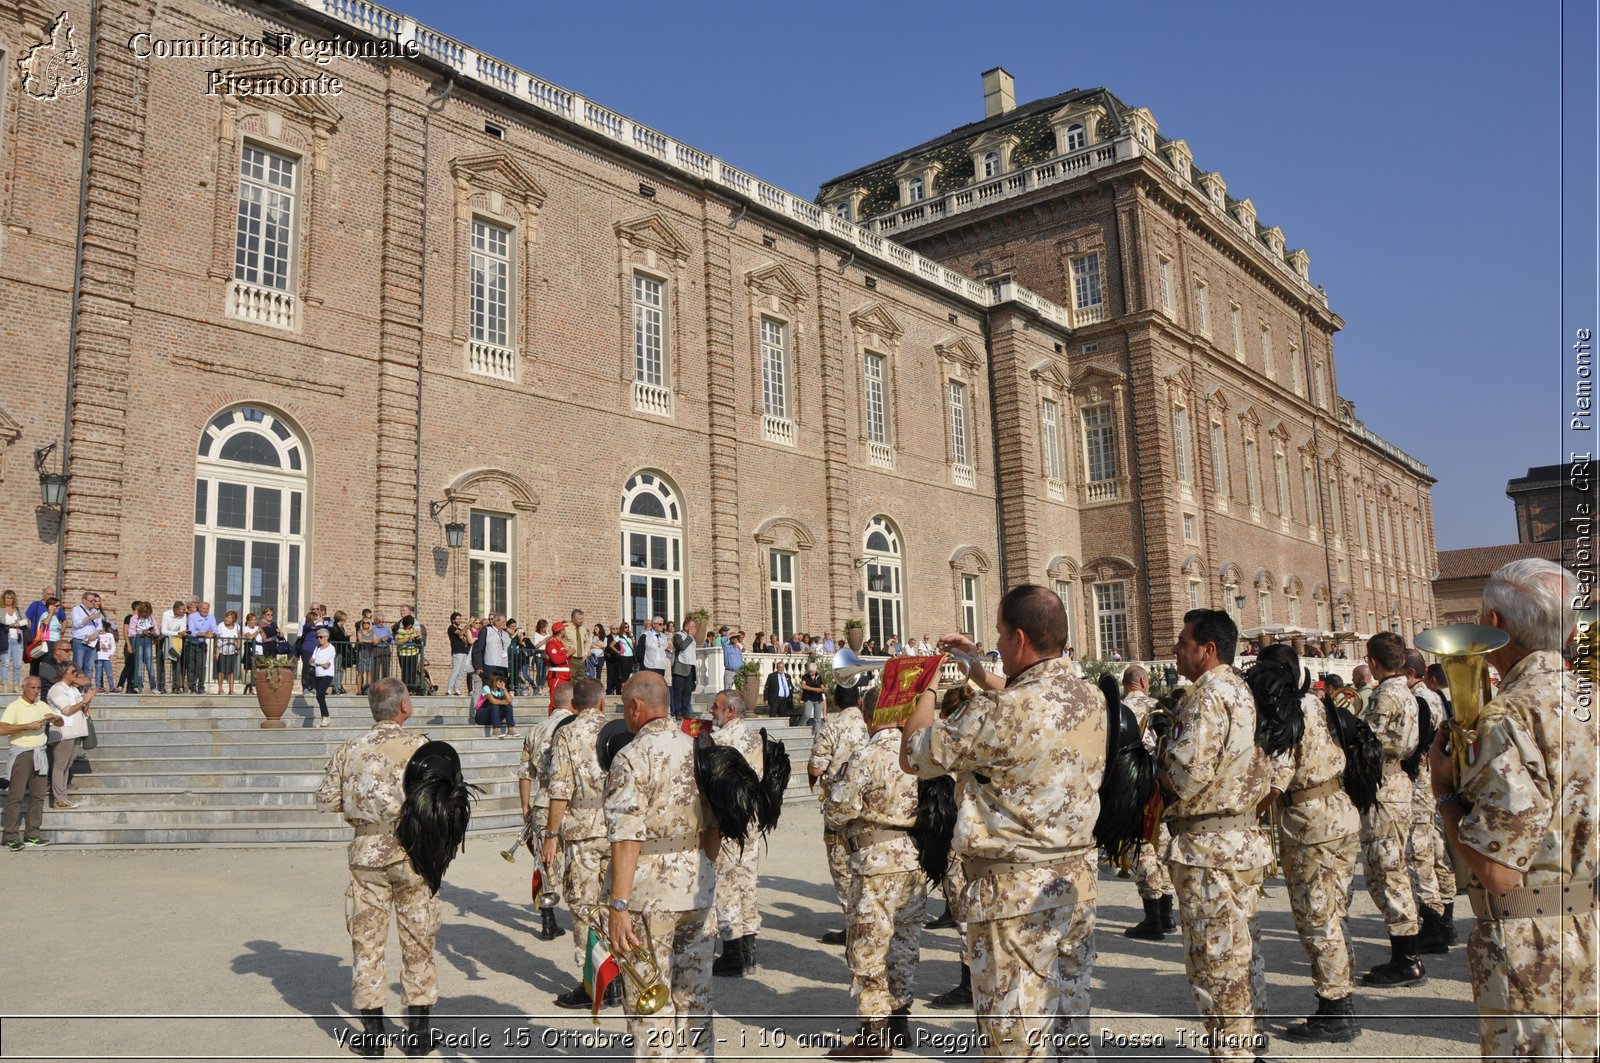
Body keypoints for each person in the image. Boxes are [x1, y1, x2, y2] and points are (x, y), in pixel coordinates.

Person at [900, 585, 1107, 1061]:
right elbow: (1030, 697)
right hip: (1074, 881)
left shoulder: (996, 712)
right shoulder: (1088, 696)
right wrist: (976, 668)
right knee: (1068, 1025)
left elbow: (914, 755)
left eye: (998, 636)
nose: (996, 645)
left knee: (1014, 1036)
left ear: (1018, 638)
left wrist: (925, 686)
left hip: (1013, 893)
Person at [1428, 558, 1596, 1059]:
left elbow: (1498, 871)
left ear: (1495, 625)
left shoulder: (1509, 714)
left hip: (1533, 949)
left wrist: (1444, 790)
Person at [1159, 608, 1271, 1062]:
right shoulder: (1239, 689)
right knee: (1243, 958)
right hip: (1237, 842)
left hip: (1209, 849)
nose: (1176, 648)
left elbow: (1185, 775)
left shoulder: (1207, 697)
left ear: (1207, 650)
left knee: (1216, 966)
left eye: (1184, 642)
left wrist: (1157, 768)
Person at [314, 678, 438, 1057]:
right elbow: (442, 797)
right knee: (418, 938)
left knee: (367, 941)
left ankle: (371, 1035)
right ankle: (417, 1033)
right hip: (412, 852)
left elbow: (325, 799)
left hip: (366, 851)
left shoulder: (349, 749)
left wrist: (363, 812)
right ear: (404, 707)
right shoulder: (419, 746)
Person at [604, 671, 719, 1060]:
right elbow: (715, 825)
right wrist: (704, 869)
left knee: (650, 1001)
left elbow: (625, 838)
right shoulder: (699, 748)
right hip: (697, 885)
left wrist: (619, 905)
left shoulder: (631, 756)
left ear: (636, 707)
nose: (624, 713)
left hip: (647, 894)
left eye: (624, 706)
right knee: (694, 997)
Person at [1256, 644, 1361, 1045]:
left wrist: (1244, 815)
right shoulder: (1316, 703)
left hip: (1309, 822)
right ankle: (1343, 1001)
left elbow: (1277, 780)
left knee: (1318, 918)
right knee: (1336, 912)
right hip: (1339, 811)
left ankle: (1335, 1011)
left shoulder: (1286, 711)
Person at [825, 687, 925, 1058]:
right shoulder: (916, 752)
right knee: (903, 944)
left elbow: (838, 810)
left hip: (874, 860)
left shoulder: (866, 755)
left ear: (869, 717)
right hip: (912, 858)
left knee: (868, 945)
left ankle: (874, 1032)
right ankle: (900, 1023)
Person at [542, 678, 618, 1006]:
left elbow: (559, 789)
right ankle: (618, 978)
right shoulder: (617, 729)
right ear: (601, 703)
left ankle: (593, 985)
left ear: (575, 705)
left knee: (585, 908)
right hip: (616, 830)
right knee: (616, 905)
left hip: (582, 832)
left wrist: (550, 835)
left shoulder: (567, 733)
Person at [1357, 630, 1426, 987]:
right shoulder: (1408, 693)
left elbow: (1369, 742)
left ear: (1373, 662)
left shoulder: (1385, 695)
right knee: (1388, 868)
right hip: (1396, 783)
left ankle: (1406, 959)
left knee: (1387, 871)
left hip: (1384, 785)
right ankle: (1405, 953)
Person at [1118, 664, 1178, 940]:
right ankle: (1167, 914)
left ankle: (1153, 917)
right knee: (1162, 842)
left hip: (1134, 785)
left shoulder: (1120, 710)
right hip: (1161, 783)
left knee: (1141, 848)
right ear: (1144, 681)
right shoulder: (1159, 707)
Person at [709, 689, 765, 976]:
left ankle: (732, 951)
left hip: (727, 822)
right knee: (747, 880)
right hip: (751, 821)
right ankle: (749, 950)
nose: (711, 711)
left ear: (729, 711)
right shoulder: (755, 737)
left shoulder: (719, 741)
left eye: (716, 707)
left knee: (726, 882)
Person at [1404, 647, 1456, 954]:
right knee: (1437, 850)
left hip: (1421, 782)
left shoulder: (1418, 699)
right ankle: (1446, 919)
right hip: (1434, 779)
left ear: (1410, 673)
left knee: (1420, 853)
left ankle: (1433, 924)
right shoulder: (1436, 697)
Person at [810, 683, 870, 945]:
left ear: (835, 701)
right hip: (869, 804)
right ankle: (867, 919)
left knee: (841, 866)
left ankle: (853, 925)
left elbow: (816, 768)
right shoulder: (871, 724)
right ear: (858, 699)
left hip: (839, 806)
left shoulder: (832, 727)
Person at [1, 676, 62, 849]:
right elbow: (2, 728)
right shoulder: (15, 706)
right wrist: (28, 726)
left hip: (39, 753)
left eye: (38, 688)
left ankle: (32, 834)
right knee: (16, 796)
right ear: (24, 688)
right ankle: (10, 836)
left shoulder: (41, 705)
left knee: (38, 796)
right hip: (22, 754)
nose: (36, 691)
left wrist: (56, 719)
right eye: (33, 688)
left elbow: (61, 722)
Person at [45, 662, 95, 808]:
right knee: (60, 766)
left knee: (67, 765)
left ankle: (63, 797)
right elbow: (67, 710)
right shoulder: (57, 690)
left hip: (76, 731)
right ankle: (58, 799)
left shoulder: (73, 689)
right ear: (64, 673)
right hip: (63, 732)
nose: (76, 675)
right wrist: (84, 701)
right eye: (73, 672)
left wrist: (87, 701)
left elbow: (81, 707)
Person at [69, 591, 104, 679]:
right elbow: (76, 623)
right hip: (80, 641)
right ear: (84, 600)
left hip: (91, 641)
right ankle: (77, 687)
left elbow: (99, 625)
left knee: (89, 667)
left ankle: (87, 687)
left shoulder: (95, 611)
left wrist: (96, 633)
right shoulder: (77, 609)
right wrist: (90, 618)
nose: (93, 603)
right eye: (91, 601)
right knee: (78, 665)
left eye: (94, 601)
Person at [670, 617, 698, 720]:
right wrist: (690, 636)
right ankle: (677, 712)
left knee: (687, 692)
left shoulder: (691, 638)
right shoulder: (678, 635)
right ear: (686, 627)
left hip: (690, 668)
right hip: (680, 667)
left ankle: (685, 711)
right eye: (692, 627)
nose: (694, 629)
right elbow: (681, 647)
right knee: (678, 691)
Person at [310, 626, 337, 727]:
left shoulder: (331, 648)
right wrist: (320, 663)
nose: (319, 639)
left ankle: (326, 716)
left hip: (327, 674)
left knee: (320, 694)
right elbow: (310, 661)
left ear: (326, 637)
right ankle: (324, 717)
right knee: (320, 696)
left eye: (320, 637)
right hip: (318, 674)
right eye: (318, 637)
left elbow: (327, 662)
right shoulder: (317, 648)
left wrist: (317, 662)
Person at [1, 590, 26, 693]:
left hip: (17, 639)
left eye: (10, 598)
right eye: (6, 597)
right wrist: (16, 623)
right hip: (6, 640)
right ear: (3, 599)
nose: (8, 600)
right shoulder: (1, 610)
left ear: (13, 599)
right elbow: (4, 621)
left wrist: (18, 623)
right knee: (5, 663)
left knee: (17, 664)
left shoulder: (18, 610)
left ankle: (16, 684)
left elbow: (26, 621)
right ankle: (4, 684)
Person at [214, 611, 241, 695]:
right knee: (221, 671)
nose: (227, 619)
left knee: (231, 671)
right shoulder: (221, 625)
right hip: (222, 651)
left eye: (229, 618)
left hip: (232, 651)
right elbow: (216, 638)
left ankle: (231, 690)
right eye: (226, 617)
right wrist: (216, 651)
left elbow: (239, 637)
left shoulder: (237, 626)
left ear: (233, 620)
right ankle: (220, 689)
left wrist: (238, 646)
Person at [445, 613, 471, 697]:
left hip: (464, 652)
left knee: (461, 672)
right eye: (457, 619)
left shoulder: (460, 628)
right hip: (457, 652)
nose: (459, 620)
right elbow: (460, 634)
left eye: (460, 619)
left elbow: (465, 639)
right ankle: (449, 688)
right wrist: (468, 624)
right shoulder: (451, 628)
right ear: (453, 620)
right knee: (455, 671)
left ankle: (457, 689)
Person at [798, 663, 826, 737]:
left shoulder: (819, 677)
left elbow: (822, 686)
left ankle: (816, 735)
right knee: (807, 714)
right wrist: (814, 689)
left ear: (815, 671)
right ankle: (799, 728)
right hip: (808, 698)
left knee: (818, 718)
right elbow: (803, 686)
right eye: (810, 671)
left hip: (818, 698)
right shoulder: (805, 677)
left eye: (812, 672)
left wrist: (823, 689)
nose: (811, 673)